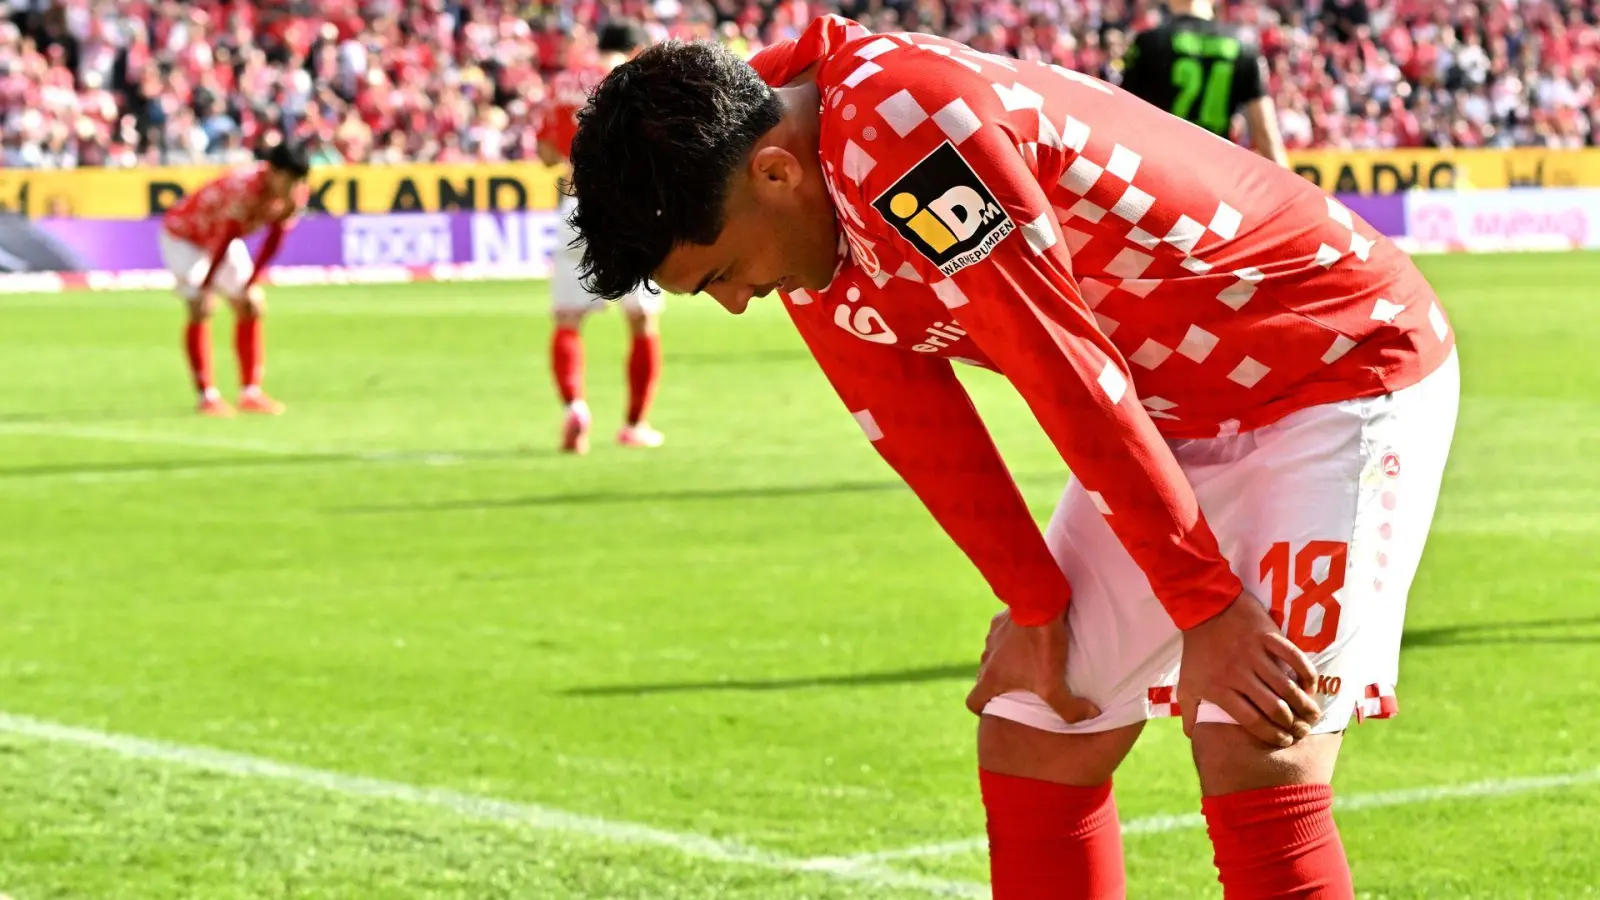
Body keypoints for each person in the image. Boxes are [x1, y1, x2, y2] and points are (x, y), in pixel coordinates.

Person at [566, 14, 1458, 898]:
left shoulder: (906, 135)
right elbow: (907, 413)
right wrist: (1033, 604)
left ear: (776, 172)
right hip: (1171, 411)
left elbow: (1062, 370)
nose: (734, 303)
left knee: (1253, 740)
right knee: (1034, 722)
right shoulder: (761, 155)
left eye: (721, 274)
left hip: (1335, 368)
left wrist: (1208, 607)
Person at [538, 19, 662, 454]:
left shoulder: (566, 85)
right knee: (642, 320)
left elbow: (546, 154)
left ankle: (575, 405)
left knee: (568, 319)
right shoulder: (643, 81)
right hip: (633, 207)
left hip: (578, 204)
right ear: (634, 48)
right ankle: (635, 424)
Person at [160, 141, 310, 416]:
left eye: (297, 181)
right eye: (288, 180)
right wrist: (205, 288)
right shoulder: (245, 189)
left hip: (221, 241)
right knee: (201, 307)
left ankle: (250, 392)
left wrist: (250, 282)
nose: (292, 188)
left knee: (251, 304)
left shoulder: (296, 193)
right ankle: (207, 396)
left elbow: (275, 239)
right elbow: (225, 236)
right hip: (186, 237)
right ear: (273, 171)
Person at [1121, 0, 1289, 167]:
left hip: (1162, 172)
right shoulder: (1243, 46)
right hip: (1215, 174)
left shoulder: (1148, 42)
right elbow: (1265, 133)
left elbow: (1124, 116)